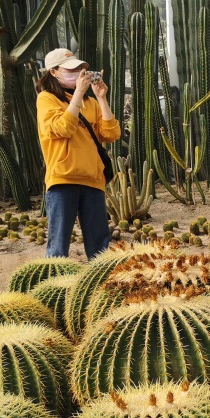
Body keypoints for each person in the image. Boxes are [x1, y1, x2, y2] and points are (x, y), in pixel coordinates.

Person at [35, 47, 121, 259]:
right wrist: (78, 96)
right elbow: (62, 128)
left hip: (92, 180)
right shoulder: (46, 99)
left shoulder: (90, 103)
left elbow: (112, 133)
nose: (78, 73)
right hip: (63, 179)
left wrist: (101, 98)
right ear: (53, 72)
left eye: (80, 69)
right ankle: (54, 288)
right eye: (70, 70)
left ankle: (101, 287)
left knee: (100, 246)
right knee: (58, 245)